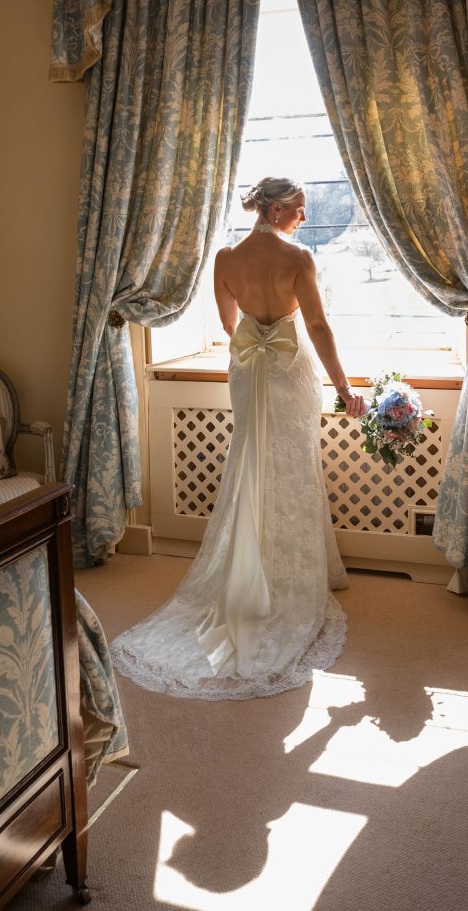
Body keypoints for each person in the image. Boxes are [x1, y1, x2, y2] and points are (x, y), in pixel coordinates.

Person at [111, 176, 367, 700]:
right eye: (298, 209)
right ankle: (285, 584)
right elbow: (316, 327)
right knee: (292, 467)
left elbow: (232, 327)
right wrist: (344, 386)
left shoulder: (225, 258)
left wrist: (257, 343)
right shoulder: (298, 259)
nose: (302, 217)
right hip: (290, 370)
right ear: (276, 210)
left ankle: (263, 571)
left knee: (253, 463)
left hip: (249, 371)